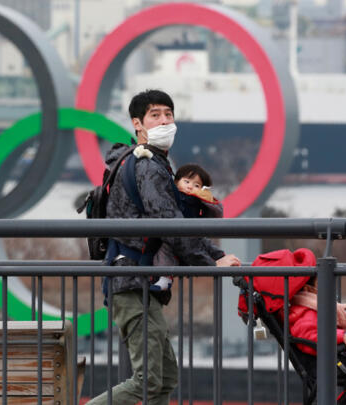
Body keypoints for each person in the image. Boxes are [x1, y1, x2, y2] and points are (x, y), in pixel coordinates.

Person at [87, 90, 241, 405]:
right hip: (133, 281)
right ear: (137, 124)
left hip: (137, 281)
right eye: (155, 115)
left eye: (168, 114)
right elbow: (170, 224)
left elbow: (176, 223)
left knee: (164, 378)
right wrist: (211, 265)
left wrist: (216, 255)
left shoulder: (149, 162)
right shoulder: (147, 166)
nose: (164, 121)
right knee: (147, 381)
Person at [151, 163, 223, 291]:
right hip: (175, 234)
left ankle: (221, 256)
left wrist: (206, 198)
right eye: (186, 181)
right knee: (165, 250)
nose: (190, 187)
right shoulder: (172, 196)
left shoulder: (199, 200)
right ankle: (165, 278)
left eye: (197, 185)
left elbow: (217, 214)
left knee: (206, 244)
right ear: (176, 182)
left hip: (193, 234)